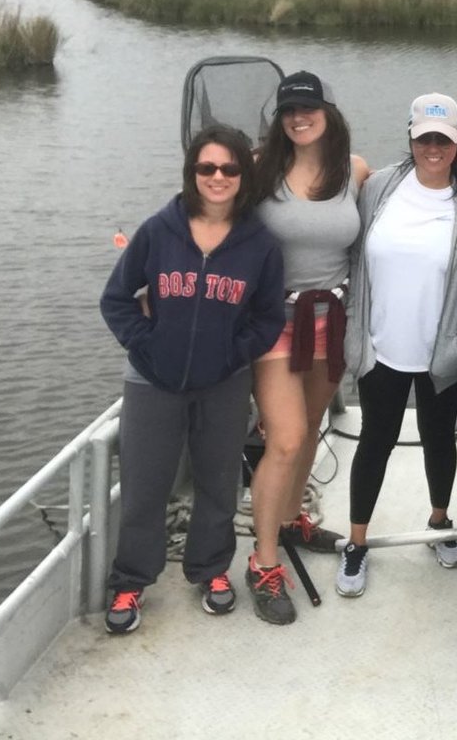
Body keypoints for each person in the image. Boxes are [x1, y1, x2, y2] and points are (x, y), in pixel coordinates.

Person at [99, 126, 285, 634]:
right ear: (192, 173)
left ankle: (211, 570)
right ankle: (132, 579)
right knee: (144, 485)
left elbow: (269, 318)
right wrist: (147, 343)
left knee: (218, 482)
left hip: (223, 381)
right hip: (152, 381)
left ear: (243, 176)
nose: (218, 177)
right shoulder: (160, 231)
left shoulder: (259, 245)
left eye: (229, 168)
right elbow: (115, 299)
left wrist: (234, 353)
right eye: (207, 168)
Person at [336, 93, 457, 598]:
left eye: (444, 140)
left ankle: (439, 521)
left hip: (442, 355)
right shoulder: (379, 187)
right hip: (379, 348)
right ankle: (357, 543)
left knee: (437, 440)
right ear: (410, 137)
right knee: (375, 442)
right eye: (425, 138)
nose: (434, 147)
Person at [249, 71, 368, 625]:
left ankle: (294, 516)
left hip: (331, 319)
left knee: (314, 422)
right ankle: (263, 561)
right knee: (288, 438)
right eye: (288, 110)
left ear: (327, 112)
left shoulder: (355, 171)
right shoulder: (257, 170)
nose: (299, 117)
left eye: (308, 108)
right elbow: (206, 210)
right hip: (275, 320)